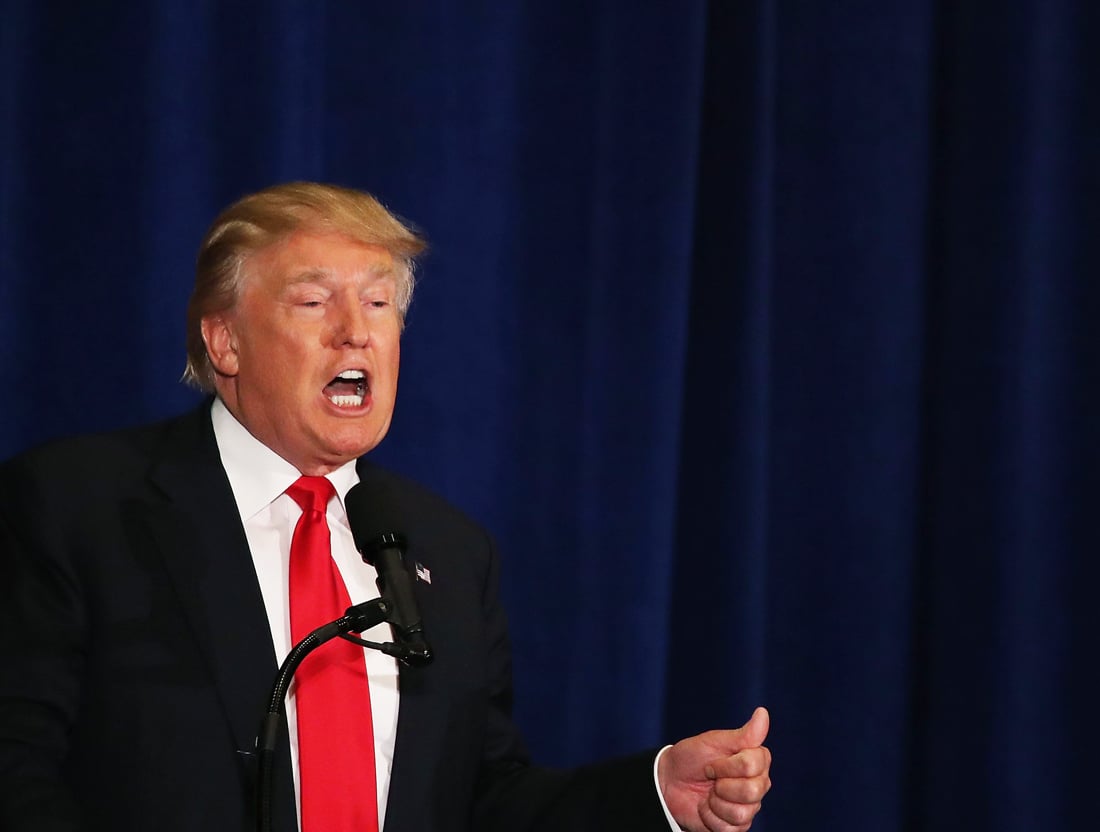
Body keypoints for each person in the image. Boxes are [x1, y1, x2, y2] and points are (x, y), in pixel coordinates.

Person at [0, 182, 771, 832]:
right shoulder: (78, 506)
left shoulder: (449, 551)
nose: (355, 333)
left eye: (378, 303)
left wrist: (658, 794)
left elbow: (485, 802)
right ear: (225, 341)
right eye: (313, 301)